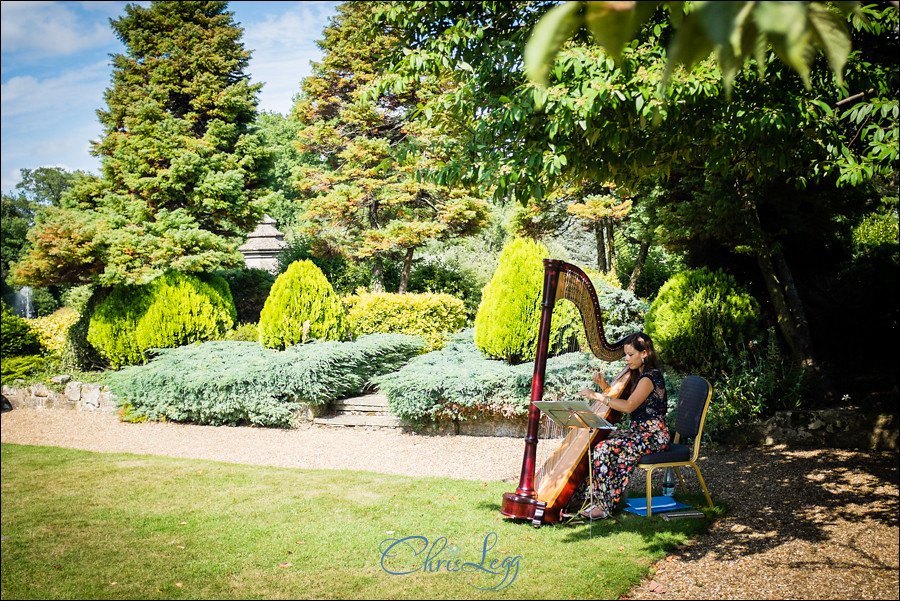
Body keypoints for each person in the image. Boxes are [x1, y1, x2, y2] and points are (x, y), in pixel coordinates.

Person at [575, 332, 669, 520]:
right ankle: (585, 497)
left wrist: (597, 396)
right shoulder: (638, 375)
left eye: (630, 355)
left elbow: (628, 406)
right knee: (598, 439)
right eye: (625, 355)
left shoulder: (649, 378)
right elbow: (621, 401)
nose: (626, 359)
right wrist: (603, 385)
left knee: (604, 448)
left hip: (653, 436)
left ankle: (603, 505)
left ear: (644, 354)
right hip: (639, 433)